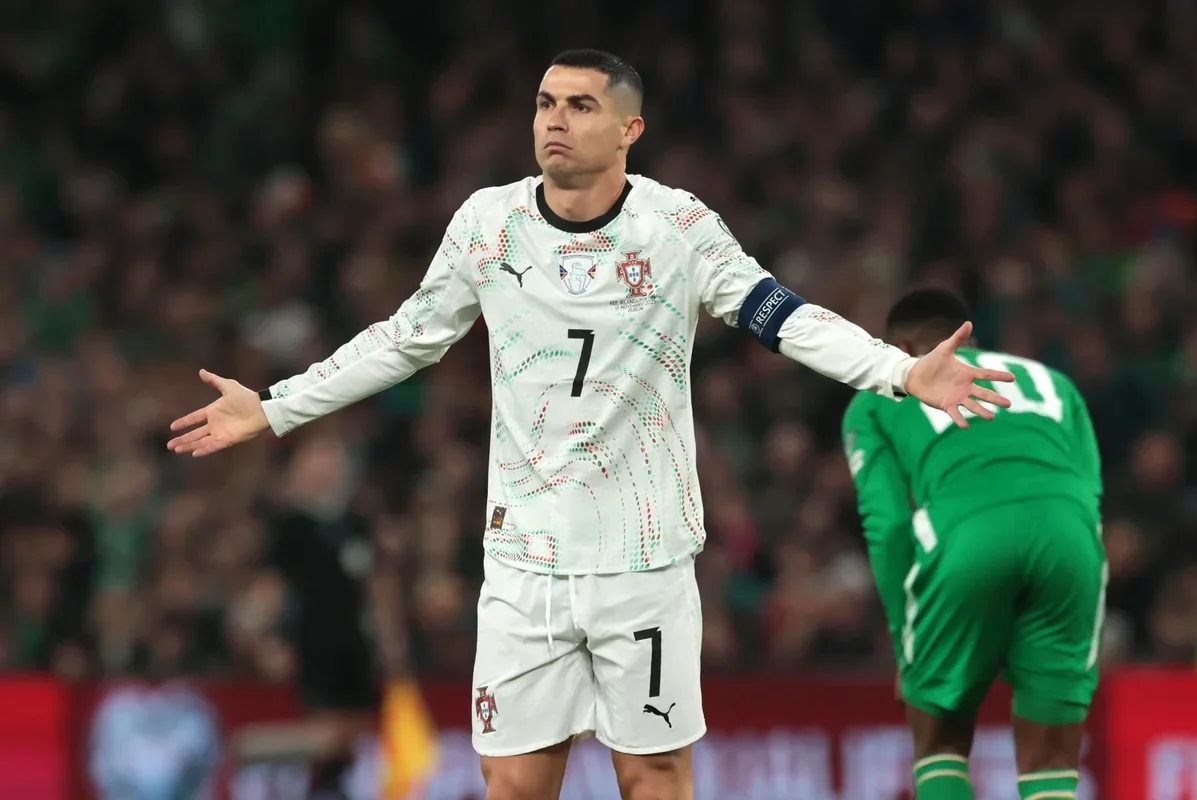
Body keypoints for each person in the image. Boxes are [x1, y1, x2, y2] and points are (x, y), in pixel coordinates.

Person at [168, 50, 1013, 800]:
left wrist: (899, 371)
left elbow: (782, 315)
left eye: (580, 106)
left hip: (642, 562)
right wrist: (275, 406)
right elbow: (404, 339)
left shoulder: (678, 227)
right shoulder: (489, 225)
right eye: (545, 104)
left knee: (653, 780)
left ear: (629, 129)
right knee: (513, 784)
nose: (556, 121)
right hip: (523, 562)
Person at [842, 288, 1106, 800]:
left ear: (899, 347)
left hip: (965, 538)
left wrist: (905, 645)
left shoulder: (879, 395)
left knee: (939, 740)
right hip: (1069, 541)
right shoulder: (1055, 381)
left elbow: (888, 525)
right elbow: (1091, 491)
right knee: (1051, 761)